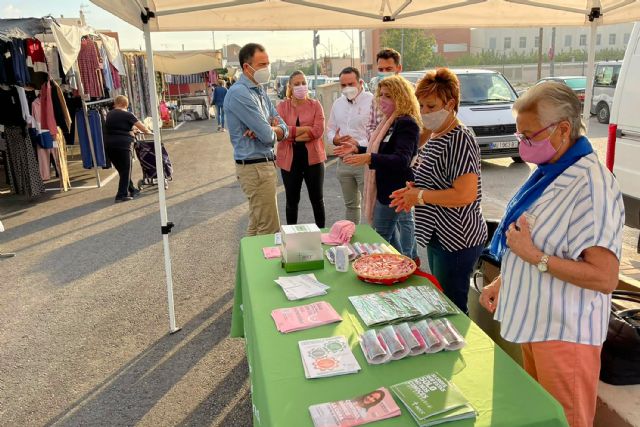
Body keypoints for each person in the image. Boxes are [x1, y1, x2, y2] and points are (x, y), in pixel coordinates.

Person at [478, 82, 624, 427]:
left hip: (565, 332)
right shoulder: (550, 174)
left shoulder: (592, 185)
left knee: (565, 420)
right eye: (520, 136)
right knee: (540, 418)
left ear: (563, 129)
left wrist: (534, 257)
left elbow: (605, 277)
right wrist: (504, 280)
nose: (522, 144)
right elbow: (536, 243)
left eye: (529, 136)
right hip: (535, 323)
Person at [389, 68, 487, 313]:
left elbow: (465, 194)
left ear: (450, 103)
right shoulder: (437, 134)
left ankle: (461, 349)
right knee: (443, 299)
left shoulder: (459, 138)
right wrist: (414, 190)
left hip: (457, 238)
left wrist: (420, 196)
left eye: (431, 106)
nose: (424, 113)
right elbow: (438, 179)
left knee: (452, 306)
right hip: (438, 235)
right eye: (421, 106)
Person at [336, 75, 419, 259]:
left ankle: (402, 265)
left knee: (381, 237)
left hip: (395, 190)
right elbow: (382, 149)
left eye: (388, 96)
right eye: (381, 95)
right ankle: (401, 264)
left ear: (401, 97)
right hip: (385, 190)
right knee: (388, 239)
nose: (382, 100)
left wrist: (369, 158)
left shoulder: (406, 123)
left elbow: (401, 159)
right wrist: (358, 148)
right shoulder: (389, 122)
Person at [224, 43, 288, 236]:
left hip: (261, 165)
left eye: (268, 64)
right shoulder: (240, 93)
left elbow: (282, 128)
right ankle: (264, 267)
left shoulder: (259, 90)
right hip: (255, 167)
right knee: (268, 230)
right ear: (246, 67)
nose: (266, 69)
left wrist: (270, 127)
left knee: (257, 225)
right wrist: (268, 129)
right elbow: (268, 137)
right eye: (261, 65)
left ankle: (247, 267)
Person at [275, 70, 326, 227]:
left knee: (317, 199)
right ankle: (291, 235)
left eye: (303, 83)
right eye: (296, 84)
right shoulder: (282, 107)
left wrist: (290, 132)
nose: (301, 86)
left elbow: (318, 131)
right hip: (289, 160)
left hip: (314, 159)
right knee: (291, 200)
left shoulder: (315, 105)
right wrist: (304, 131)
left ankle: (322, 234)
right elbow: (279, 132)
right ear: (290, 86)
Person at [326, 67, 374, 224]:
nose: (347, 88)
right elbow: (330, 129)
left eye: (351, 84)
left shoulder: (372, 101)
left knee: (371, 206)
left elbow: (376, 134)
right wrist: (335, 139)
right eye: (343, 85)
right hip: (344, 161)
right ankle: (353, 240)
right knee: (351, 206)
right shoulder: (338, 104)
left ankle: (375, 242)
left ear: (360, 82)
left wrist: (358, 144)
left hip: (364, 160)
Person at [104, 95, 152, 203]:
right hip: (123, 145)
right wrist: (149, 132)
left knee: (122, 170)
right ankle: (121, 195)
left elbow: (120, 126)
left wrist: (131, 129)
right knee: (126, 169)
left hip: (109, 145)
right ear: (126, 104)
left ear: (115, 103)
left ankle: (132, 189)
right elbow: (143, 128)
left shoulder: (109, 114)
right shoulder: (127, 114)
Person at [367, 48, 403, 136]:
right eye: (381, 69)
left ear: (399, 68)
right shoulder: (377, 95)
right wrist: (380, 142)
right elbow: (370, 127)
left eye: (388, 69)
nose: (384, 73)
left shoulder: (411, 93)